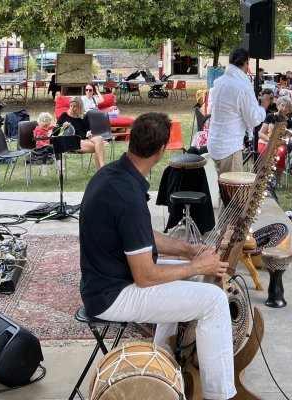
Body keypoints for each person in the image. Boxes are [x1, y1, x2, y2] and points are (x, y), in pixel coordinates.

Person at [79, 112, 236, 400]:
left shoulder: (113, 174)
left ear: (132, 140)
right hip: (112, 295)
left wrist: (189, 252)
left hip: (105, 282)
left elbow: (142, 238)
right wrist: (196, 266)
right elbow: (146, 276)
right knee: (213, 301)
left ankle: (163, 365)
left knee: (183, 268)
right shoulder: (127, 195)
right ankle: (220, 395)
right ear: (162, 150)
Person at [207, 47, 268, 175]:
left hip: (215, 145)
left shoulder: (219, 82)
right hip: (229, 148)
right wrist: (263, 106)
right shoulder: (241, 86)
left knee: (220, 190)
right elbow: (254, 119)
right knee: (233, 193)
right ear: (246, 63)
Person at [56, 96, 106, 170]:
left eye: (75, 106)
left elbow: (88, 133)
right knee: (100, 146)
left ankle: (101, 169)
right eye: (71, 106)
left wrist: (90, 136)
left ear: (80, 107)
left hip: (84, 141)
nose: (72, 108)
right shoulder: (64, 116)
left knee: (100, 139)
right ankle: (102, 169)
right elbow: (55, 132)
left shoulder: (84, 117)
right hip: (72, 142)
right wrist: (62, 127)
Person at [257, 97, 292, 186]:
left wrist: (278, 143)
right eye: (282, 105)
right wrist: (269, 141)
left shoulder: (289, 122)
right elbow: (261, 133)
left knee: (280, 154)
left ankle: (277, 181)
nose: (284, 108)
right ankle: (265, 178)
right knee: (266, 153)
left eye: (287, 107)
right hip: (266, 141)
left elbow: (288, 138)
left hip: (279, 143)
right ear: (278, 106)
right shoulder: (270, 116)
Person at [32, 112, 56, 176]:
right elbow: (38, 140)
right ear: (45, 122)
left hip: (46, 145)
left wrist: (53, 126)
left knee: (57, 148)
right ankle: (43, 168)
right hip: (40, 147)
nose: (49, 124)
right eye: (49, 122)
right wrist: (44, 144)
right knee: (46, 151)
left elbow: (47, 128)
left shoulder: (43, 127)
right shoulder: (39, 129)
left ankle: (59, 164)